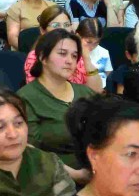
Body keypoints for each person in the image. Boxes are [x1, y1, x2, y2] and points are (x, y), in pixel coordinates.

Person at [17, 28, 97, 179]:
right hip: (53, 179)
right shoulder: (25, 98)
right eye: (62, 53)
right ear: (43, 57)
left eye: (74, 56)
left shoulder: (85, 93)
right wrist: (75, 175)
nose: (70, 61)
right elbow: (30, 151)